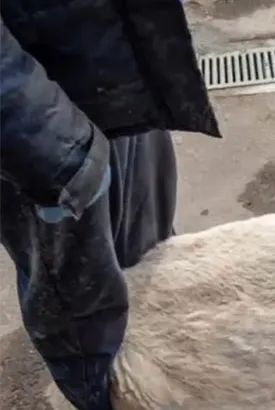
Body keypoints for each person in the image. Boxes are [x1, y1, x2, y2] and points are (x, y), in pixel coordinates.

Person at [0, 0, 220, 408]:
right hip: (37, 127)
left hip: (106, 62)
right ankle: (110, 400)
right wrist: (49, 144)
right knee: (88, 320)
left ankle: (167, 379)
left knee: (152, 261)